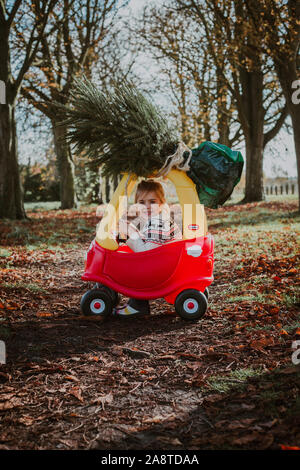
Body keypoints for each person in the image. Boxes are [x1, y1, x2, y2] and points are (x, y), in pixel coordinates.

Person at [114, 179, 182, 317]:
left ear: (161, 203)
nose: (147, 206)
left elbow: (147, 252)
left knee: (131, 266)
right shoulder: (154, 219)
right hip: (164, 262)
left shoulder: (159, 221)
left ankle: (137, 305)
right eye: (142, 203)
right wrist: (129, 230)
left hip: (163, 269)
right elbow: (147, 239)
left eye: (152, 202)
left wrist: (129, 236)